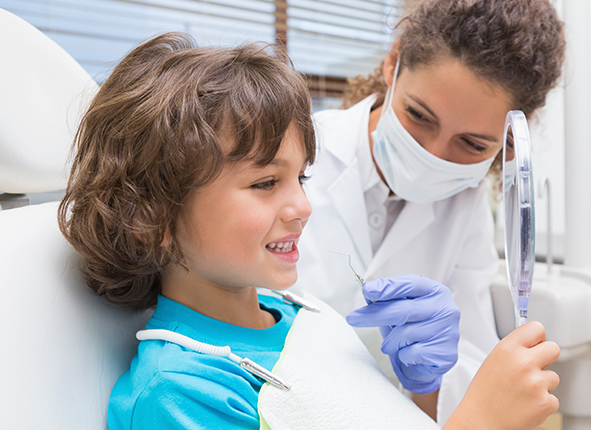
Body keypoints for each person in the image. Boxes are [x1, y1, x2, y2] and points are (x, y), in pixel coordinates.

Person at [58, 32, 559, 430]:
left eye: (302, 177)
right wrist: (480, 422)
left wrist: (425, 390)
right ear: (150, 218)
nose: (302, 204)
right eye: (265, 182)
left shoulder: (305, 314)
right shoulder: (183, 392)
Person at [295, 0, 566, 423]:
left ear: (508, 140)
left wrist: (430, 380)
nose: (432, 155)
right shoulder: (299, 158)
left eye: (472, 144)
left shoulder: (468, 205)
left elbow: (473, 385)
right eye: (419, 116)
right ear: (392, 62)